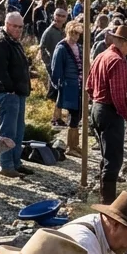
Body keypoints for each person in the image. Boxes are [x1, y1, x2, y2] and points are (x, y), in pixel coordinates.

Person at [87, 24, 127, 204]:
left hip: (97, 108)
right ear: (124, 43)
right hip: (109, 111)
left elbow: (89, 86)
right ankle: (107, 202)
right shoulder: (118, 60)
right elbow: (117, 96)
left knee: (106, 156)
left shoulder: (102, 55)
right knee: (114, 159)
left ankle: (104, 197)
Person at [0, 11, 32, 179]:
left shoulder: (14, 42)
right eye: (15, 26)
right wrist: (10, 89)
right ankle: (6, 164)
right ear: (7, 25)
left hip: (18, 92)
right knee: (8, 131)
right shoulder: (1, 42)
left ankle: (16, 162)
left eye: (20, 27)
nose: (18, 30)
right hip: (7, 93)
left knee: (18, 130)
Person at [49, 20, 84, 158]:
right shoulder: (62, 48)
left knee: (78, 114)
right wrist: (58, 86)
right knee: (74, 114)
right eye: (73, 33)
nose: (75, 36)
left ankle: (75, 144)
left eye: (78, 34)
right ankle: (71, 146)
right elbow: (55, 69)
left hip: (79, 85)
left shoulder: (78, 47)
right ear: (68, 31)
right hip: (69, 86)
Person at [40, 6, 68, 125]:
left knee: (59, 92)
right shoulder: (49, 32)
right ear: (54, 16)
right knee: (54, 92)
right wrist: (48, 65)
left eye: (63, 16)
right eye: (58, 15)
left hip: (62, 66)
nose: (60, 18)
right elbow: (42, 49)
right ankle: (53, 118)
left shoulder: (64, 31)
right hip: (53, 67)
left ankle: (57, 117)